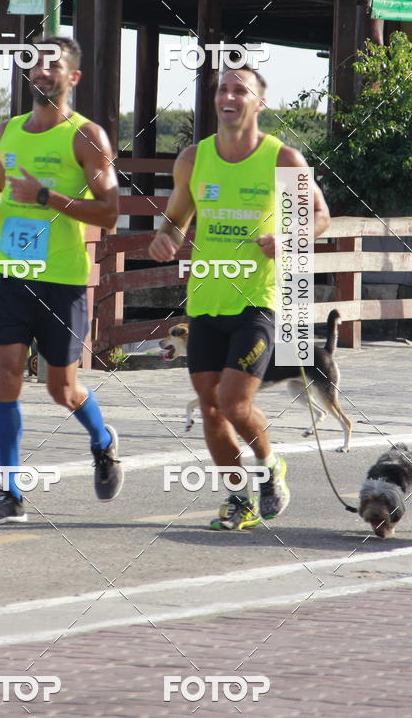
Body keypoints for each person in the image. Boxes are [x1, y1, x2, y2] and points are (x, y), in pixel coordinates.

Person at [149, 66, 330, 530]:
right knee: (209, 407)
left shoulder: (282, 159)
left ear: (258, 103)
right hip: (206, 301)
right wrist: (164, 237)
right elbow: (175, 219)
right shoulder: (194, 158)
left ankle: (270, 467)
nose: (229, 96)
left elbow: (321, 218)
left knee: (233, 403)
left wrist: (289, 239)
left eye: (240, 90)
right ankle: (238, 498)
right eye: (223, 89)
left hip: (258, 301)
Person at [0, 36, 123, 524]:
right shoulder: (8, 131)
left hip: (63, 281)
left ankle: (103, 440)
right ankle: (10, 492)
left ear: (72, 78)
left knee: (62, 389)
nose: (40, 71)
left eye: (52, 65)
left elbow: (111, 213)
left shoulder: (87, 137)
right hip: (13, 275)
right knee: (8, 372)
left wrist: (46, 198)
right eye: (33, 63)